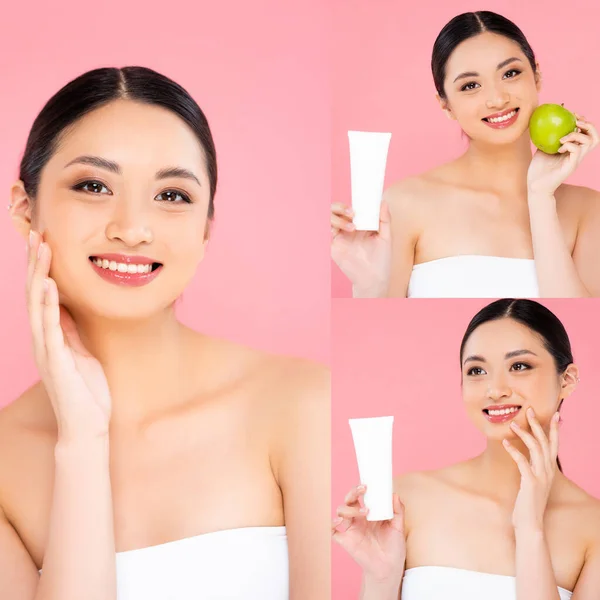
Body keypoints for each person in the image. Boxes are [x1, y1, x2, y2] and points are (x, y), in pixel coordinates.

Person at [0, 66, 329, 600]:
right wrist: (82, 444)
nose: (132, 228)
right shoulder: (5, 463)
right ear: (24, 208)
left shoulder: (300, 404)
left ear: (206, 229)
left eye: (172, 195)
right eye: (93, 185)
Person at [333, 298, 600, 599]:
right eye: (476, 371)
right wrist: (380, 578)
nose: (495, 389)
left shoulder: (594, 528)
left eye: (520, 366)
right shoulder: (406, 502)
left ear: (567, 379)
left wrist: (530, 530)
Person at [331, 11, 600, 298]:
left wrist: (540, 196)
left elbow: (579, 326)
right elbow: (380, 330)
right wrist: (369, 284)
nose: (497, 99)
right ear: (445, 105)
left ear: (536, 76)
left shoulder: (589, 210)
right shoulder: (403, 205)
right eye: (470, 85)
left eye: (510, 73)